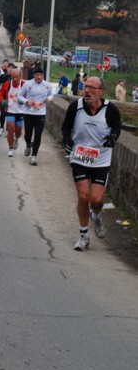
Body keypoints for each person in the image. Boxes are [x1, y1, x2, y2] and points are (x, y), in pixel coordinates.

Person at [61, 76, 121, 251]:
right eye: (85, 87)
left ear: (101, 91)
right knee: (83, 197)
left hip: (101, 159)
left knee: (96, 200)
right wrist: (66, 140)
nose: (87, 91)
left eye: (91, 88)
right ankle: (83, 235)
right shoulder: (76, 107)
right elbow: (65, 127)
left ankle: (96, 215)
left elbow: (117, 127)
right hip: (79, 156)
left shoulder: (110, 109)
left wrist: (113, 137)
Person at [17, 66, 53, 165]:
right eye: (37, 75)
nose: (39, 77)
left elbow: (50, 94)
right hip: (28, 113)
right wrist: (27, 101)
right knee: (28, 134)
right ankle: (28, 144)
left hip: (40, 113)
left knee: (38, 135)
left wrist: (49, 98)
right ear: (34, 75)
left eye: (41, 75)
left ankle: (34, 156)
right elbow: (19, 96)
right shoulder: (27, 84)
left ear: (43, 75)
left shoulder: (47, 85)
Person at [0, 68, 24, 157]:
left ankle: (16, 139)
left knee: (18, 131)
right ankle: (10, 148)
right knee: (11, 128)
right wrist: (2, 101)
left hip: (21, 111)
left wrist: (25, 101)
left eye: (17, 77)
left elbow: (30, 95)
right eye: (13, 77)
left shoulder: (24, 85)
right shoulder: (8, 84)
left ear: (20, 77)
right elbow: (0, 94)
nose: (15, 79)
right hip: (10, 110)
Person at [0, 62, 15, 137]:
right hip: (4, 97)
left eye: (12, 67)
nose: (10, 69)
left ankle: (7, 129)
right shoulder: (3, 77)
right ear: (7, 68)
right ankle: (1, 127)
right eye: (9, 67)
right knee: (3, 113)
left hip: (12, 99)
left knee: (9, 114)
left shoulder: (16, 78)